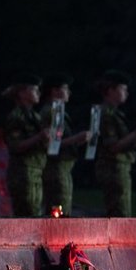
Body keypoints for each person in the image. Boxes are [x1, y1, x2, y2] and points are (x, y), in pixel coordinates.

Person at [92, 70, 136, 217]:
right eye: (123, 89)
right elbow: (114, 146)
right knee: (119, 213)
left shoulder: (115, 113)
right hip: (113, 168)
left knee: (122, 210)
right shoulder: (106, 114)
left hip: (119, 166)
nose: (126, 92)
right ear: (110, 90)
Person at [0, 73, 48, 217]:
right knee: (27, 215)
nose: (38, 93)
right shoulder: (16, 117)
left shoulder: (35, 116)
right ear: (22, 93)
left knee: (35, 214)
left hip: (36, 170)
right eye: (34, 89)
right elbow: (15, 146)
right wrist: (39, 137)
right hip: (23, 173)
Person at [40, 75, 90, 216]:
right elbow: (51, 144)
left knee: (62, 208)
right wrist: (75, 139)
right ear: (54, 91)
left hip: (62, 167)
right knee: (59, 210)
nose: (69, 92)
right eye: (65, 89)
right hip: (55, 168)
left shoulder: (57, 112)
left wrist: (76, 141)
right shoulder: (50, 112)